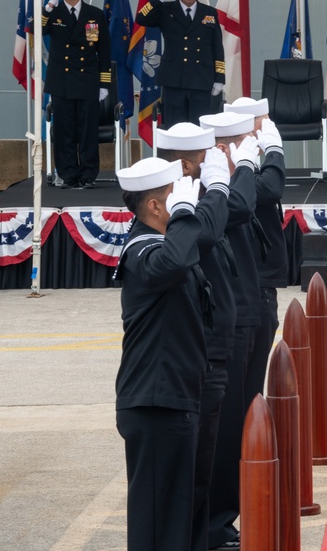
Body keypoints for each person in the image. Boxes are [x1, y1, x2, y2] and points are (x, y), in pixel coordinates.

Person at [113, 155, 228, 551]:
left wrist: (216, 191)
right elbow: (175, 260)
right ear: (156, 206)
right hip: (155, 403)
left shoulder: (162, 245)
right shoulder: (143, 251)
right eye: (174, 195)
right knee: (159, 524)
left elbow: (198, 242)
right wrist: (184, 213)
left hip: (176, 397)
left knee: (181, 515)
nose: (186, 203)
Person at [154, 123, 234, 551]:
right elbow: (206, 233)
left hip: (209, 345)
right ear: (187, 165)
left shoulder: (187, 196)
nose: (217, 158)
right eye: (209, 156)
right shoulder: (173, 204)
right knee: (191, 472)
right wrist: (220, 187)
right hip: (196, 352)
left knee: (203, 467)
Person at [198, 110, 260, 551]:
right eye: (245, 142)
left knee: (236, 422)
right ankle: (216, 523)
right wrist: (251, 167)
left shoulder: (230, 179)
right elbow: (238, 208)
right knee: (221, 435)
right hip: (223, 320)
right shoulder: (212, 184)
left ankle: (224, 518)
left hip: (243, 310)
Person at [222, 97, 288, 415]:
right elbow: (270, 189)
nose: (269, 129)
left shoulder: (246, 164)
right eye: (264, 123)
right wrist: (275, 152)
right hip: (252, 285)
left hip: (260, 280)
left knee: (251, 384)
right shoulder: (236, 170)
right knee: (246, 390)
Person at [42, 0, 111, 189]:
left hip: (88, 81)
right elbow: (34, 28)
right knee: (64, 131)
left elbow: (104, 50)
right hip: (61, 82)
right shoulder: (53, 13)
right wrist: (49, 5)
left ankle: (88, 175)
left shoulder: (95, 14)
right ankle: (67, 174)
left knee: (87, 131)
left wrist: (104, 83)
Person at [136, 0, 225, 127]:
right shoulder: (165, 9)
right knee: (174, 128)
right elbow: (141, 18)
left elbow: (217, 46)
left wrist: (219, 78)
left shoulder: (209, 12)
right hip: (173, 80)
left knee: (200, 129)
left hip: (201, 80)